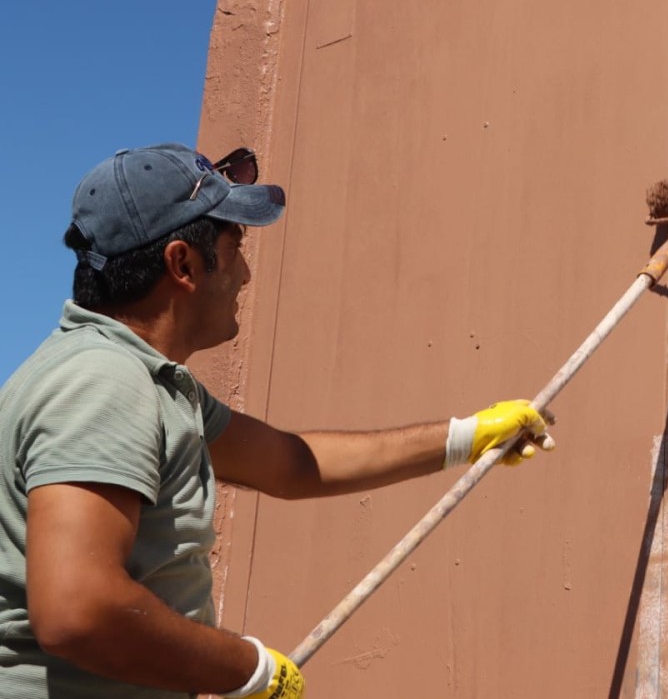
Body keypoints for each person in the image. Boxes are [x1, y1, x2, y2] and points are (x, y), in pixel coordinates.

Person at [0, 143, 555, 698]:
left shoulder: (152, 383)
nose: (245, 273)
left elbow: (291, 464)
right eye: (235, 247)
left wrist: (469, 436)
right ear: (183, 264)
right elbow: (79, 609)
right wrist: (249, 669)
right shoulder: (102, 382)